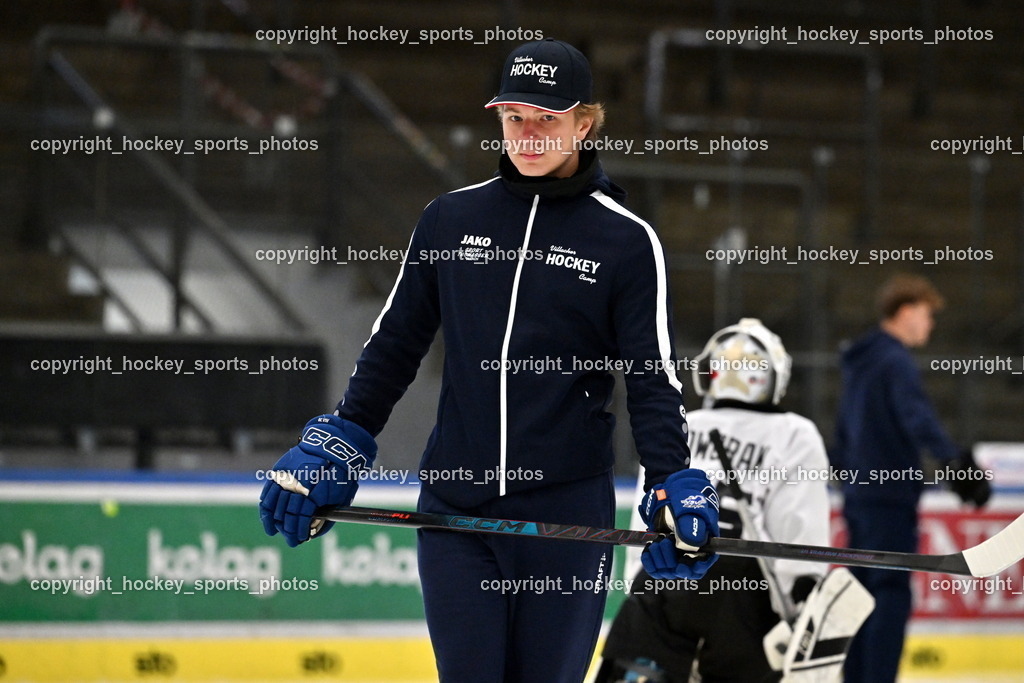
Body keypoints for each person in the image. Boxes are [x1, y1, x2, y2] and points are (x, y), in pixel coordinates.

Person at [257, 38, 719, 683]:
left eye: (547, 120)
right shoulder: (450, 220)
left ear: (584, 124)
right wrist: (344, 435)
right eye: (513, 118)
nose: (527, 135)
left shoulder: (626, 240)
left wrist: (670, 477)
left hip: (564, 517)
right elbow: (396, 342)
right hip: (454, 507)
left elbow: (650, 374)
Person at [598, 318, 837, 683]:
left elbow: (649, 520)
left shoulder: (682, 425)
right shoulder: (796, 434)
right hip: (744, 594)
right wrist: (802, 602)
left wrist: (642, 588)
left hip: (664, 579)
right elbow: (799, 537)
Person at [833, 273, 991, 683]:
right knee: (889, 591)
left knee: (863, 591)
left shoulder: (860, 360)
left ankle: (856, 677)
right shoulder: (894, 360)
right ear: (905, 312)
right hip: (888, 497)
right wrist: (955, 462)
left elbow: (844, 429)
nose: (930, 324)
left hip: (859, 496)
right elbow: (916, 418)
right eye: (926, 314)